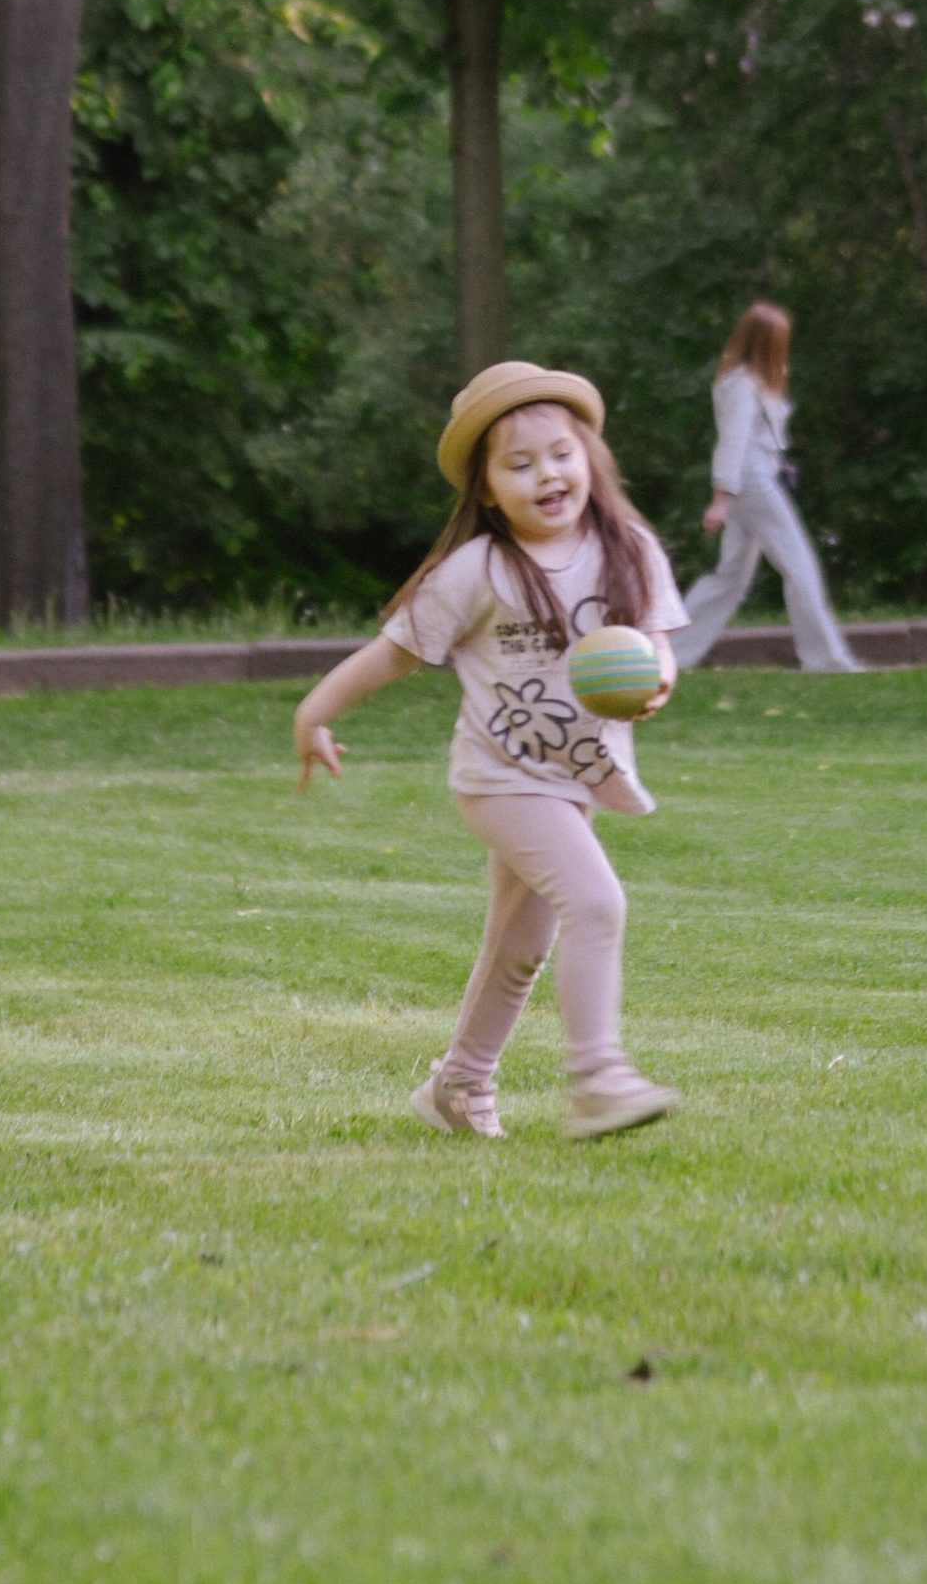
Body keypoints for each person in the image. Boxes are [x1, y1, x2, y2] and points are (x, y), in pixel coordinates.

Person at [293, 360, 684, 1142]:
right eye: (520, 462)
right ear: (487, 489)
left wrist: (657, 680)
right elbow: (393, 653)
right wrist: (316, 710)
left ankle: (458, 1085)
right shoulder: (477, 571)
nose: (547, 473)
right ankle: (598, 1078)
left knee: (520, 946)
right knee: (597, 902)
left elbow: (656, 644)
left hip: (570, 776)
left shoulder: (627, 549)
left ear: (589, 458)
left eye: (560, 453)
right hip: (501, 778)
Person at [668, 301, 861, 675]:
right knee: (799, 565)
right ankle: (826, 659)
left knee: (730, 577)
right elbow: (732, 443)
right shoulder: (742, 385)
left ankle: (670, 653)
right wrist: (720, 500)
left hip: (756, 479)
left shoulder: (751, 380)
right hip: (751, 481)